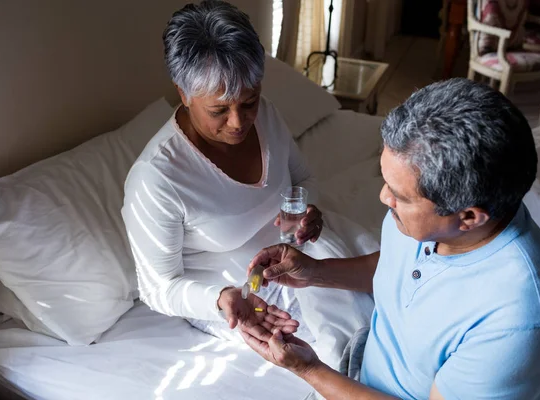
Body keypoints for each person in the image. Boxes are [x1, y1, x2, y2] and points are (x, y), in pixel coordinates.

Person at [240, 78, 540, 399]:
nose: (385, 197)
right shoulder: (430, 220)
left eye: (401, 195)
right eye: (386, 181)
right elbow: (397, 267)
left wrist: (309, 369)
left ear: (469, 217)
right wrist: (315, 272)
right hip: (363, 364)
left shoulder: (517, 324)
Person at [121, 0, 375, 368]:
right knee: (350, 350)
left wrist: (307, 212)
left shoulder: (267, 115)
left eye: (249, 101)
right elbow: (158, 287)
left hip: (299, 255)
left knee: (401, 289)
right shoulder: (158, 178)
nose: (239, 122)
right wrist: (220, 297)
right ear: (183, 93)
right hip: (245, 295)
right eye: (219, 110)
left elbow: (303, 179)